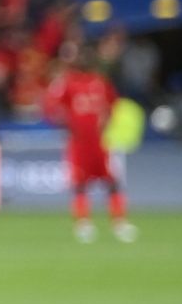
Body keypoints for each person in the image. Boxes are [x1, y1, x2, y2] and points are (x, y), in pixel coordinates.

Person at [43, 51, 135, 243]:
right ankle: (83, 224)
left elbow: (113, 104)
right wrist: (66, 123)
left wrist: (106, 122)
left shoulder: (100, 82)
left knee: (112, 182)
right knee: (80, 184)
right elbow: (51, 106)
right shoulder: (67, 83)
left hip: (99, 142)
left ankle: (119, 223)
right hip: (79, 143)